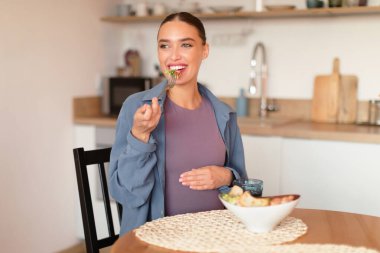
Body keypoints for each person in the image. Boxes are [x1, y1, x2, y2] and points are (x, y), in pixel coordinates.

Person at [109, 12, 247, 235]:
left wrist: (227, 176)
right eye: (165, 46)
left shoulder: (224, 114)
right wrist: (140, 137)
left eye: (185, 45)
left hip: (218, 239)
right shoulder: (135, 108)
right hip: (155, 241)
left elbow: (248, 190)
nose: (174, 56)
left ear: (204, 50)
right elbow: (126, 194)